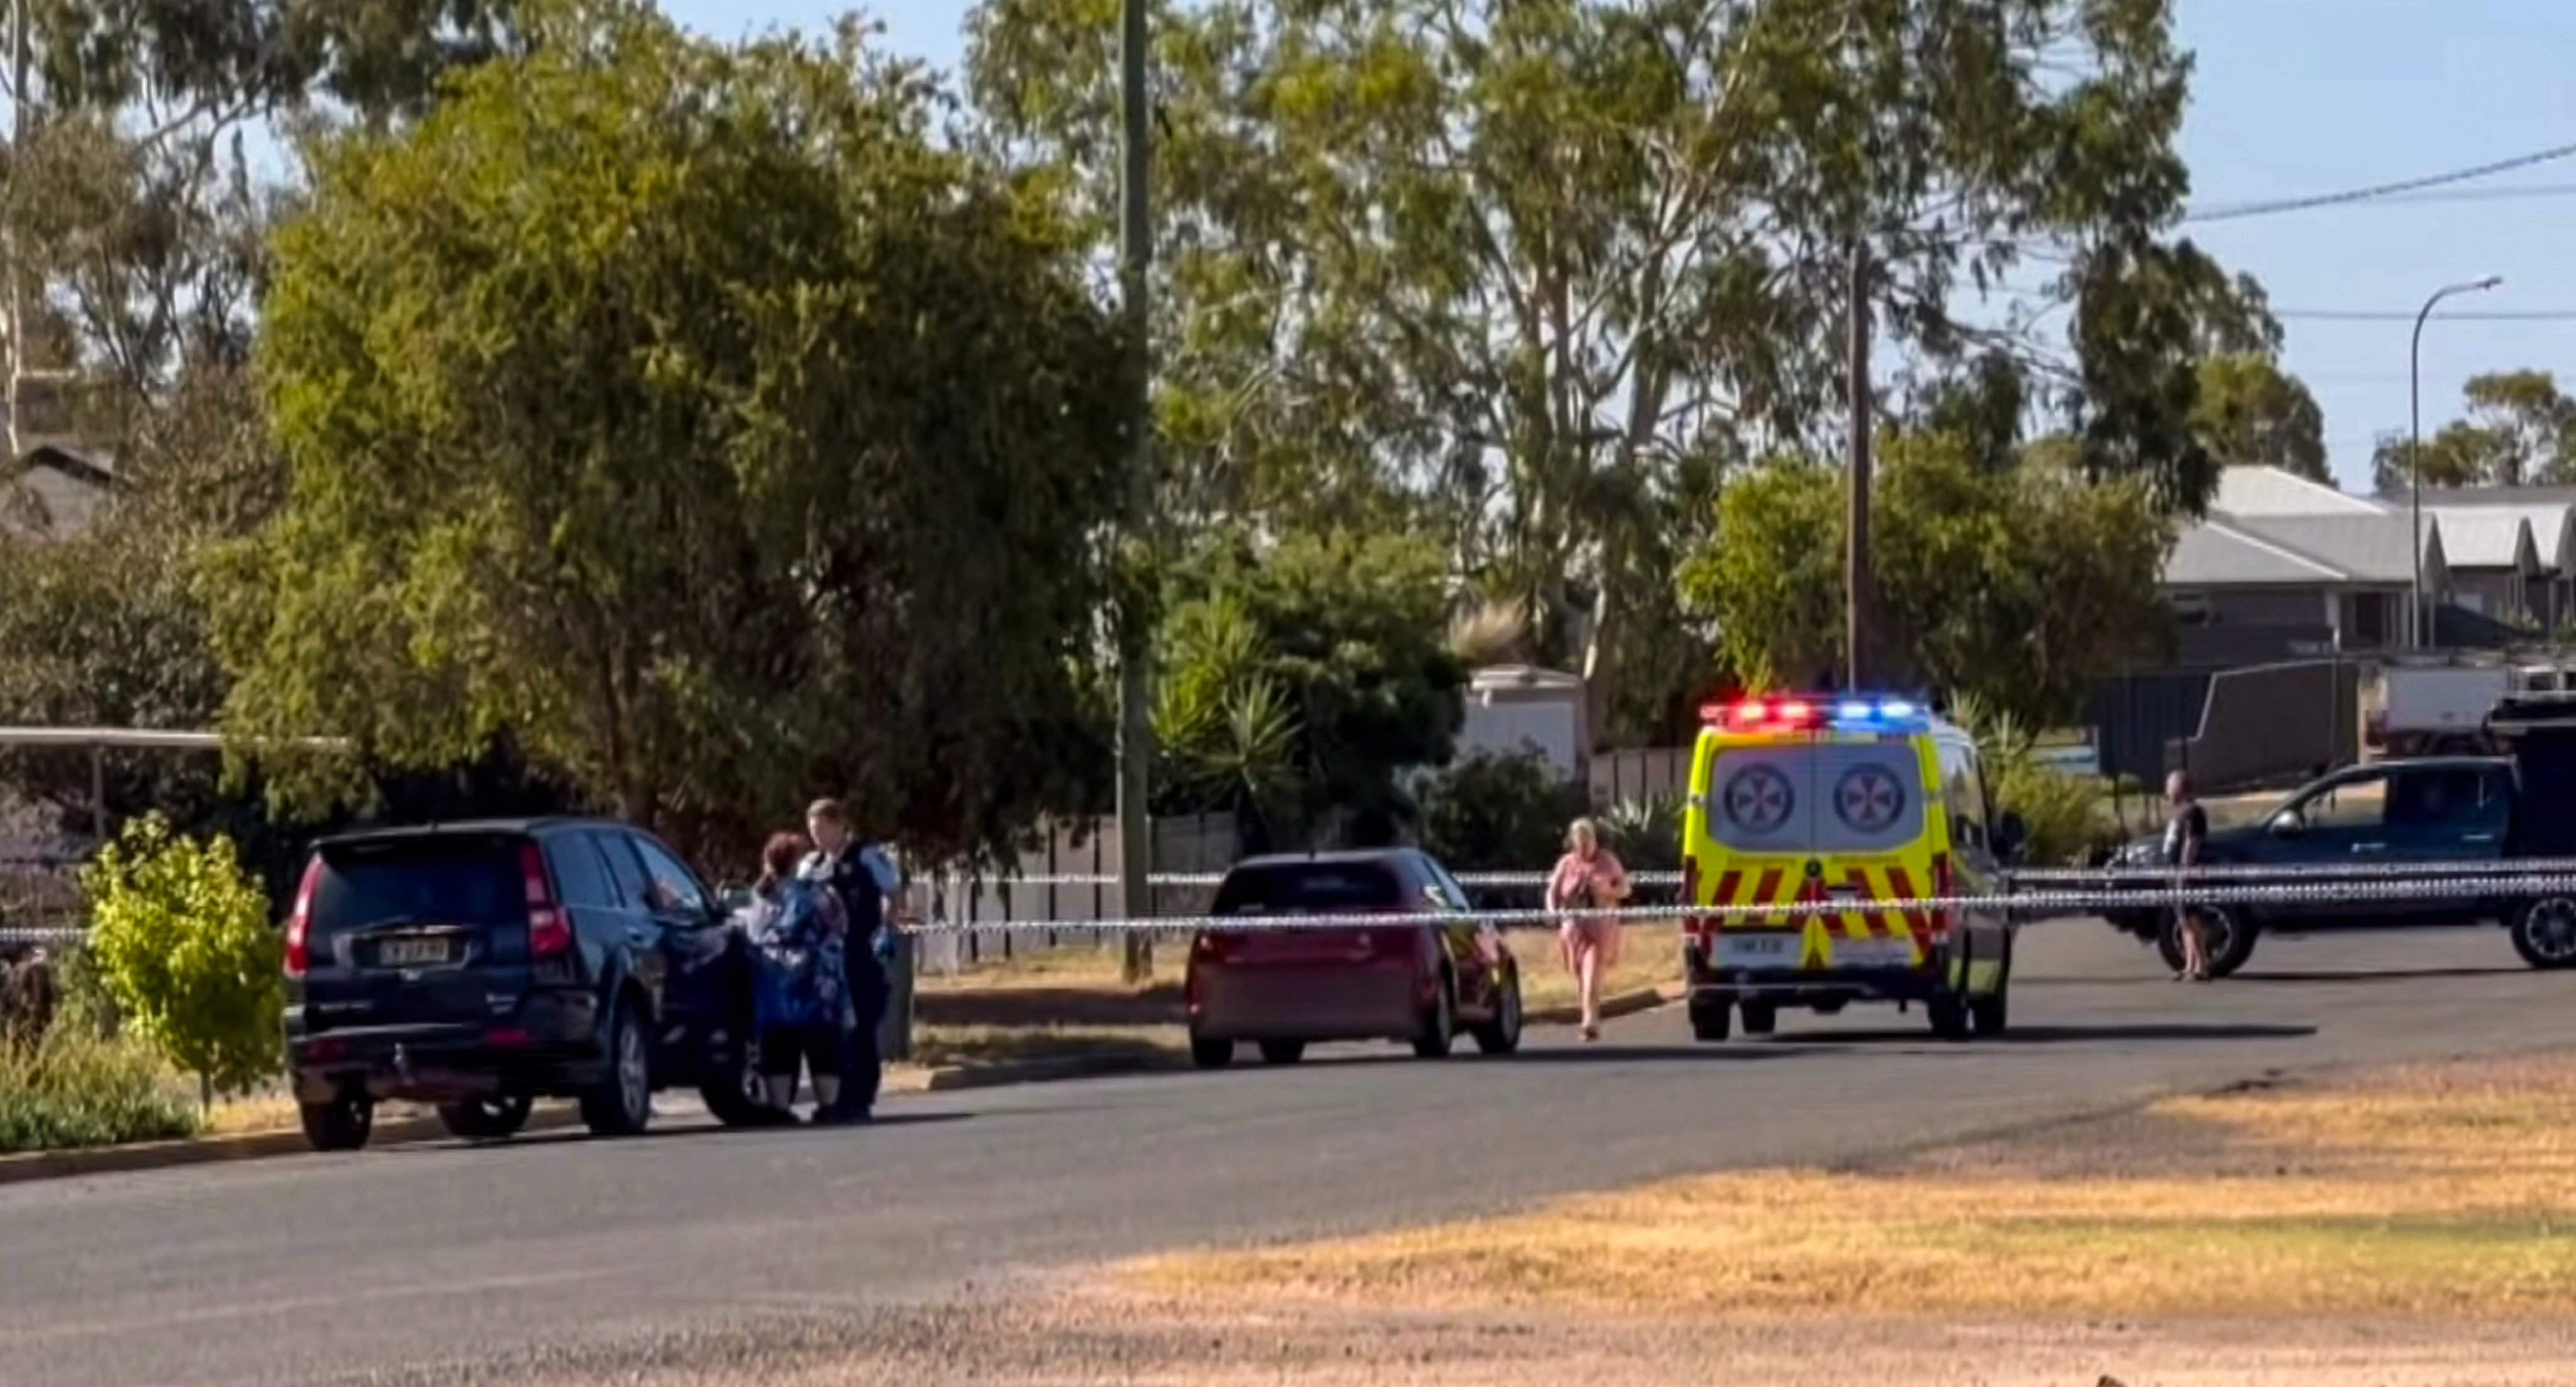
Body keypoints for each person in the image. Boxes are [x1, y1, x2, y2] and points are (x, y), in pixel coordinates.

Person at [801, 798, 899, 1123]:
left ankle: (860, 1098)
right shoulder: (812, 865)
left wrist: (887, 929)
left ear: (840, 825)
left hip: (859, 953)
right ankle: (834, 1100)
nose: (817, 836)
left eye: (822, 828)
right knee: (830, 1030)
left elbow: (892, 891)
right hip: (824, 961)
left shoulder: (866, 857)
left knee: (860, 1027)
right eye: (812, 830)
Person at [742, 832, 849, 1122]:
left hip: (774, 980)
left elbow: (753, 933)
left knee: (780, 1043)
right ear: (792, 862)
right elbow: (840, 925)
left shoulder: (761, 895)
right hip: (816, 979)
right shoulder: (817, 895)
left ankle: (780, 1108)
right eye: (804, 854)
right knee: (822, 1042)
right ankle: (828, 1106)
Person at [1547, 817, 1631, 1042]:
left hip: (1599, 928)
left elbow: (1625, 889)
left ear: (1595, 840)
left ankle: (1590, 1022)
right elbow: (1552, 891)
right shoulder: (1566, 864)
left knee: (1591, 973)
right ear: (1573, 842)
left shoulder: (1607, 861)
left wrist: (1606, 891)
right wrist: (1553, 911)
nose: (1585, 846)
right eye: (1580, 841)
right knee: (1579, 976)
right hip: (1573, 929)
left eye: (1588, 840)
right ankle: (1588, 1015)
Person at [2163, 769, 2212, 982]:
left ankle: (2203, 965)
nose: (2167, 791)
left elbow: (2192, 842)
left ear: (2180, 787)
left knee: (2193, 919)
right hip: (2174, 873)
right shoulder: (2177, 813)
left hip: (2187, 873)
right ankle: (2189, 965)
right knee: (2183, 921)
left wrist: (2186, 868)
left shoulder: (2194, 812)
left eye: (2169, 787)